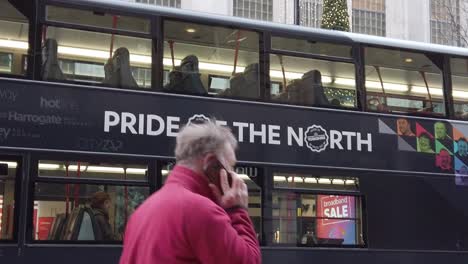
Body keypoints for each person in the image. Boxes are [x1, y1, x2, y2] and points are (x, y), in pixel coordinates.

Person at [120, 120, 261, 264]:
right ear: (211, 163)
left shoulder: (140, 213)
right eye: (230, 167)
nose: (233, 175)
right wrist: (237, 210)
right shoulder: (202, 210)